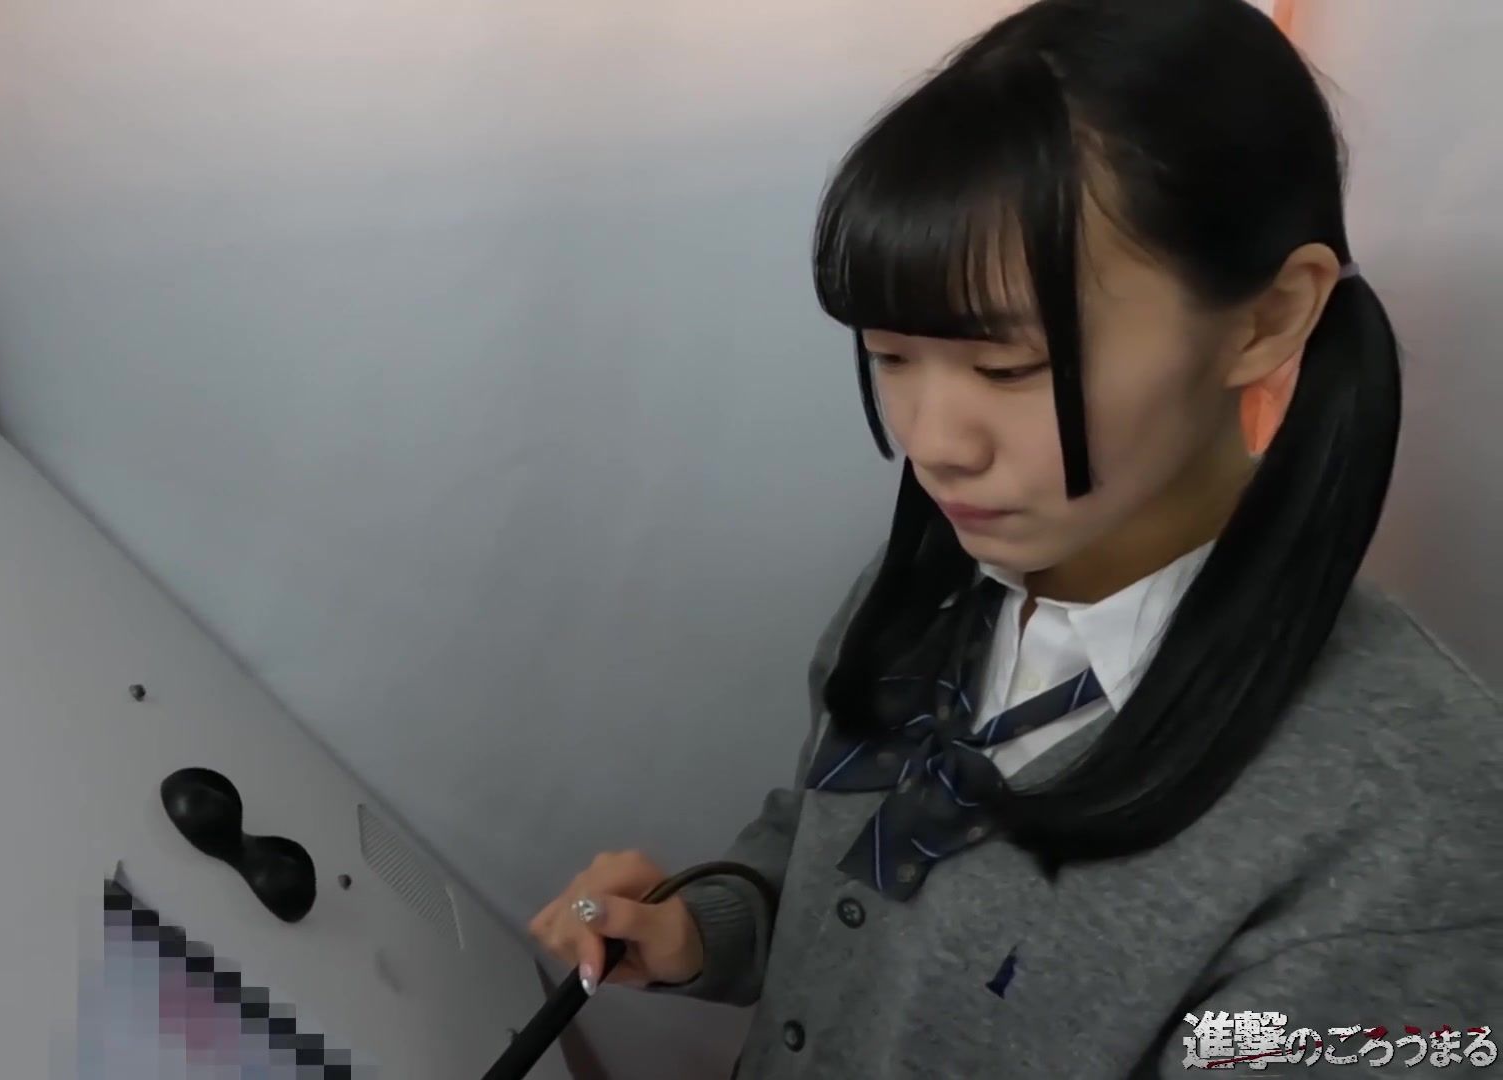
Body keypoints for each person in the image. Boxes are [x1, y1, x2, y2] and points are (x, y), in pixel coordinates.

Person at [528, 0, 1502, 1075]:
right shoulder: (938, 590)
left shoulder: (1409, 824)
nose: (933, 443)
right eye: (892, 356)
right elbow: (824, 849)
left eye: (1009, 368)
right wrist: (702, 927)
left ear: (1268, 319)